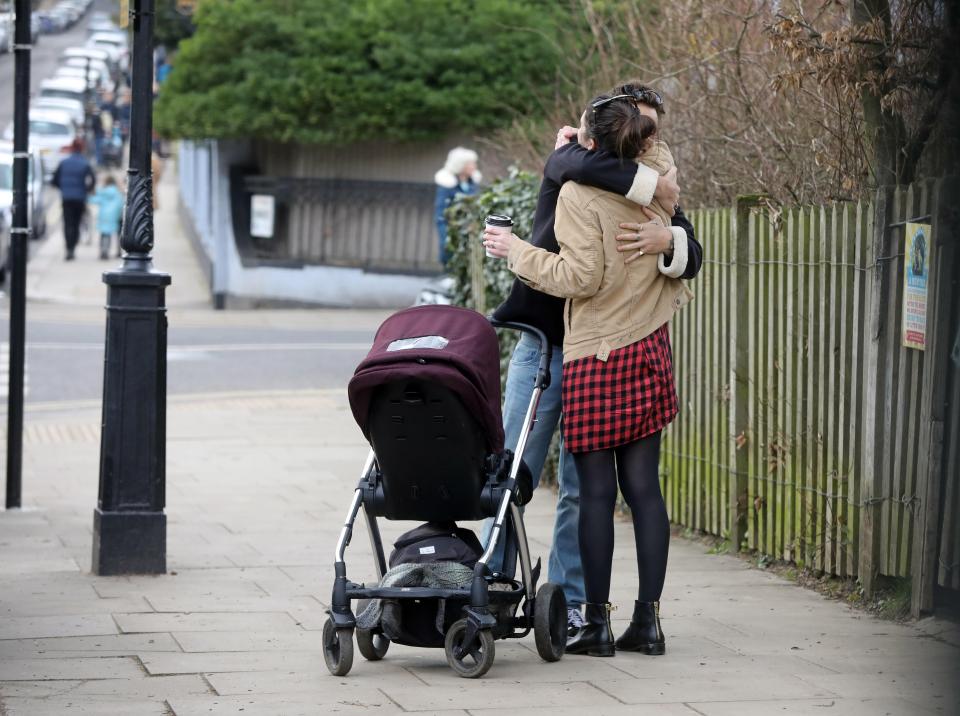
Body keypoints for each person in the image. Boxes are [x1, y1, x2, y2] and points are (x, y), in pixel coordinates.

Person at [485, 87, 702, 657]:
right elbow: (576, 160)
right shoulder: (617, 171)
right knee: (521, 478)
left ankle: (589, 618)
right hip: (592, 344)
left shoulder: (589, 193)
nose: (654, 139)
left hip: (592, 353)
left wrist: (670, 239)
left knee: (591, 495)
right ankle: (639, 621)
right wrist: (659, 203)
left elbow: (586, 275)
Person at [434, 147, 481, 266]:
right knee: (450, 258)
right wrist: (446, 237)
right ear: (461, 165)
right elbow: (441, 213)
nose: (474, 166)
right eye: (471, 164)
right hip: (452, 230)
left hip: (470, 231)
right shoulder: (447, 185)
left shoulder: (473, 185)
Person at [51, 140, 95, 261]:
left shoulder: (64, 163)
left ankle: (68, 247)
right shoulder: (85, 163)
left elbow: (54, 180)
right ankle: (72, 248)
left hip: (67, 198)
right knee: (76, 223)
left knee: (67, 223)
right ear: (81, 149)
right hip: (80, 198)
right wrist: (87, 190)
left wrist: (63, 188)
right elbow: (93, 179)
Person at [88, 176, 124, 259]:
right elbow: (121, 204)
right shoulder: (118, 193)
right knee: (114, 234)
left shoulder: (102, 192)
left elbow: (93, 200)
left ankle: (103, 251)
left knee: (104, 234)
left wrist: (89, 195)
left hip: (103, 216)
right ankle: (115, 251)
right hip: (114, 216)